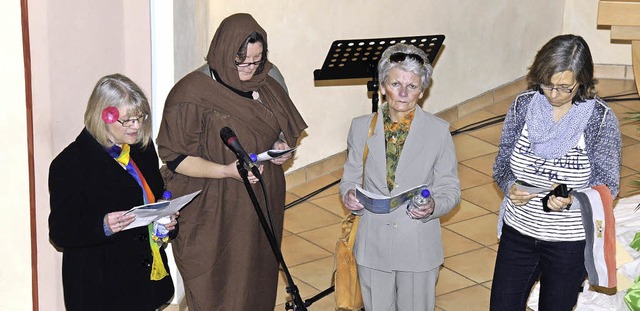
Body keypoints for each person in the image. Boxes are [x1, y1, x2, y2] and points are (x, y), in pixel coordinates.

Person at [155, 13, 307, 311]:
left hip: (261, 195)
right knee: (220, 283)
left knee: (257, 274)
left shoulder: (270, 79)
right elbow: (175, 158)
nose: (251, 69)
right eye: (243, 61)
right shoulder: (191, 94)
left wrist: (281, 147)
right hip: (215, 204)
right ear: (224, 52)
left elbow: (281, 129)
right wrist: (226, 171)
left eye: (257, 60)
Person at [490, 34, 622, 310]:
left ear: (582, 81)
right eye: (547, 84)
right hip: (519, 234)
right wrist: (510, 185)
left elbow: (608, 186)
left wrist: (572, 199)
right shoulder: (523, 105)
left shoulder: (599, 119)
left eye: (564, 87)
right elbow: (501, 165)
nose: (553, 94)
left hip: (568, 244)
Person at [340, 43, 461, 311]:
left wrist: (433, 206)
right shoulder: (360, 127)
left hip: (418, 246)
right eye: (396, 84)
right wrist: (349, 195)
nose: (404, 94)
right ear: (382, 86)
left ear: (423, 90)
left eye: (413, 86)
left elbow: (450, 189)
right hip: (373, 245)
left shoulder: (439, 132)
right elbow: (350, 176)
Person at [48, 73, 177, 311]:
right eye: (127, 121)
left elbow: (151, 198)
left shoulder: (142, 151)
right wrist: (104, 225)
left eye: (140, 117)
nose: (137, 126)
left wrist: (164, 217)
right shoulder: (69, 164)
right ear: (103, 116)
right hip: (100, 288)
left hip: (143, 284)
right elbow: (61, 231)